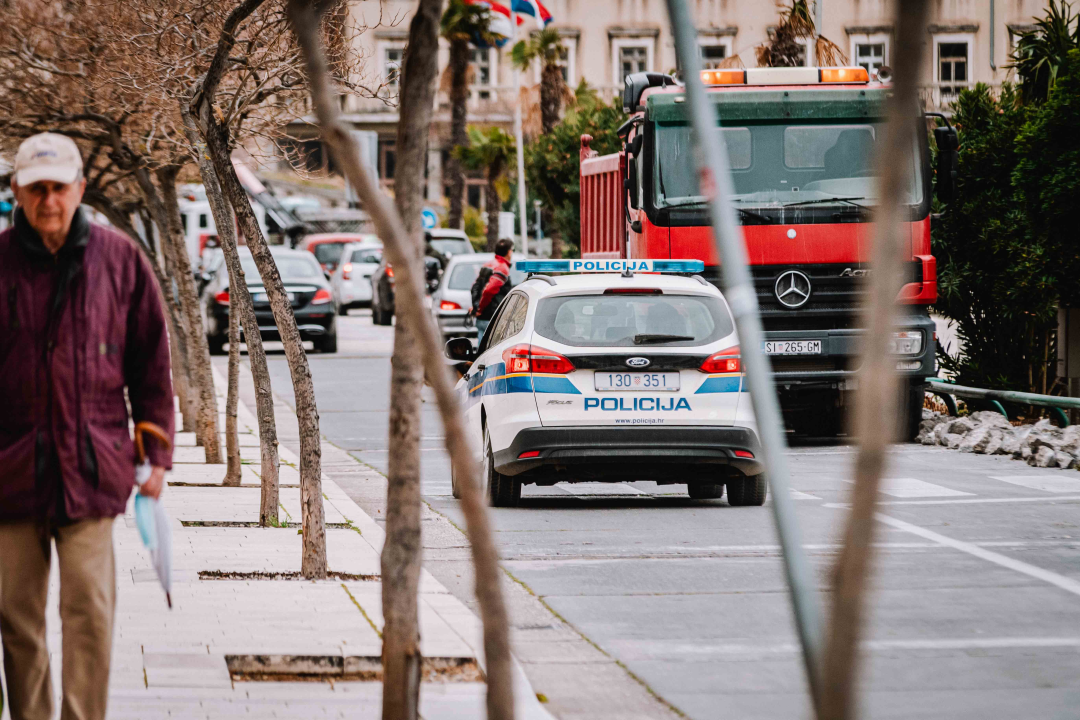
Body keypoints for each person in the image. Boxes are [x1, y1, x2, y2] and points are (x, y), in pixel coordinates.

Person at [0, 133, 175, 720]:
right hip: (11, 473)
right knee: (16, 622)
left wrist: (155, 454)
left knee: (90, 615)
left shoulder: (120, 259)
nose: (49, 200)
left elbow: (151, 362)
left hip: (92, 470)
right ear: (19, 194)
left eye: (58, 188)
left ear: (79, 189)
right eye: (36, 189)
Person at [470, 238, 514, 345]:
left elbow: (475, 286)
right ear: (508, 251)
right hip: (492, 318)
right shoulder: (502, 268)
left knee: (481, 348)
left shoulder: (487, 264)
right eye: (512, 250)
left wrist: (476, 307)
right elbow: (489, 290)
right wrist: (480, 308)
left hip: (482, 318)